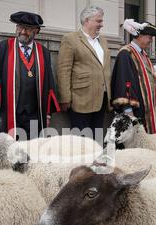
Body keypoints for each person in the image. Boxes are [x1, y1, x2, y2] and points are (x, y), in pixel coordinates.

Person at [0, 11, 60, 140]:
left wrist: (47, 114)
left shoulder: (43, 52)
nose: (23, 31)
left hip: (35, 113)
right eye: (20, 27)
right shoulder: (3, 48)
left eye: (28, 28)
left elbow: (49, 83)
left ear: (36, 31)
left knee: (33, 148)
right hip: (10, 111)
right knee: (10, 148)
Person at [56, 5, 111, 139]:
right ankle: (82, 160)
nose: (101, 24)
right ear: (87, 20)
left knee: (97, 138)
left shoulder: (103, 41)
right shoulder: (70, 39)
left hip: (101, 99)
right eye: (99, 21)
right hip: (80, 99)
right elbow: (63, 69)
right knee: (81, 140)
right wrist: (64, 98)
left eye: (101, 21)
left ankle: (96, 159)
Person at [110, 19, 156, 134]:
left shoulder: (143, 55)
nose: (151, 41)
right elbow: (124, 83)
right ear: (138, 35)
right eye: (149, 37)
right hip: (135, 112)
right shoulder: (126, 54)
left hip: (147, 111)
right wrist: (129, 112)